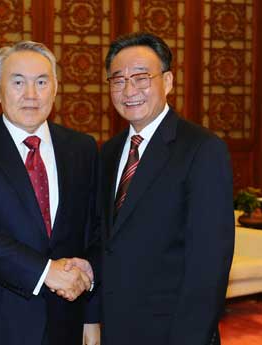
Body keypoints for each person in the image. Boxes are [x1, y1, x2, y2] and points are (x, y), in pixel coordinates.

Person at [0, 40, 100, 345]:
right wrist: (44, 271)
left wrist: (91, 314)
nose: (31, 94)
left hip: (64, 322)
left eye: (41, 82)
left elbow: (93, 232)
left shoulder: (82, 148)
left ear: (55, 88)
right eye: (18, 82)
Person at [99, 32, 234, 345]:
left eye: (142, 77)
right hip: (118, 327)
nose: (129, 90)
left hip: (173, 331)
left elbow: (209, 261)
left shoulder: (201, 149)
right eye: (118, 80)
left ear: (168, 81)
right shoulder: (108, 152)